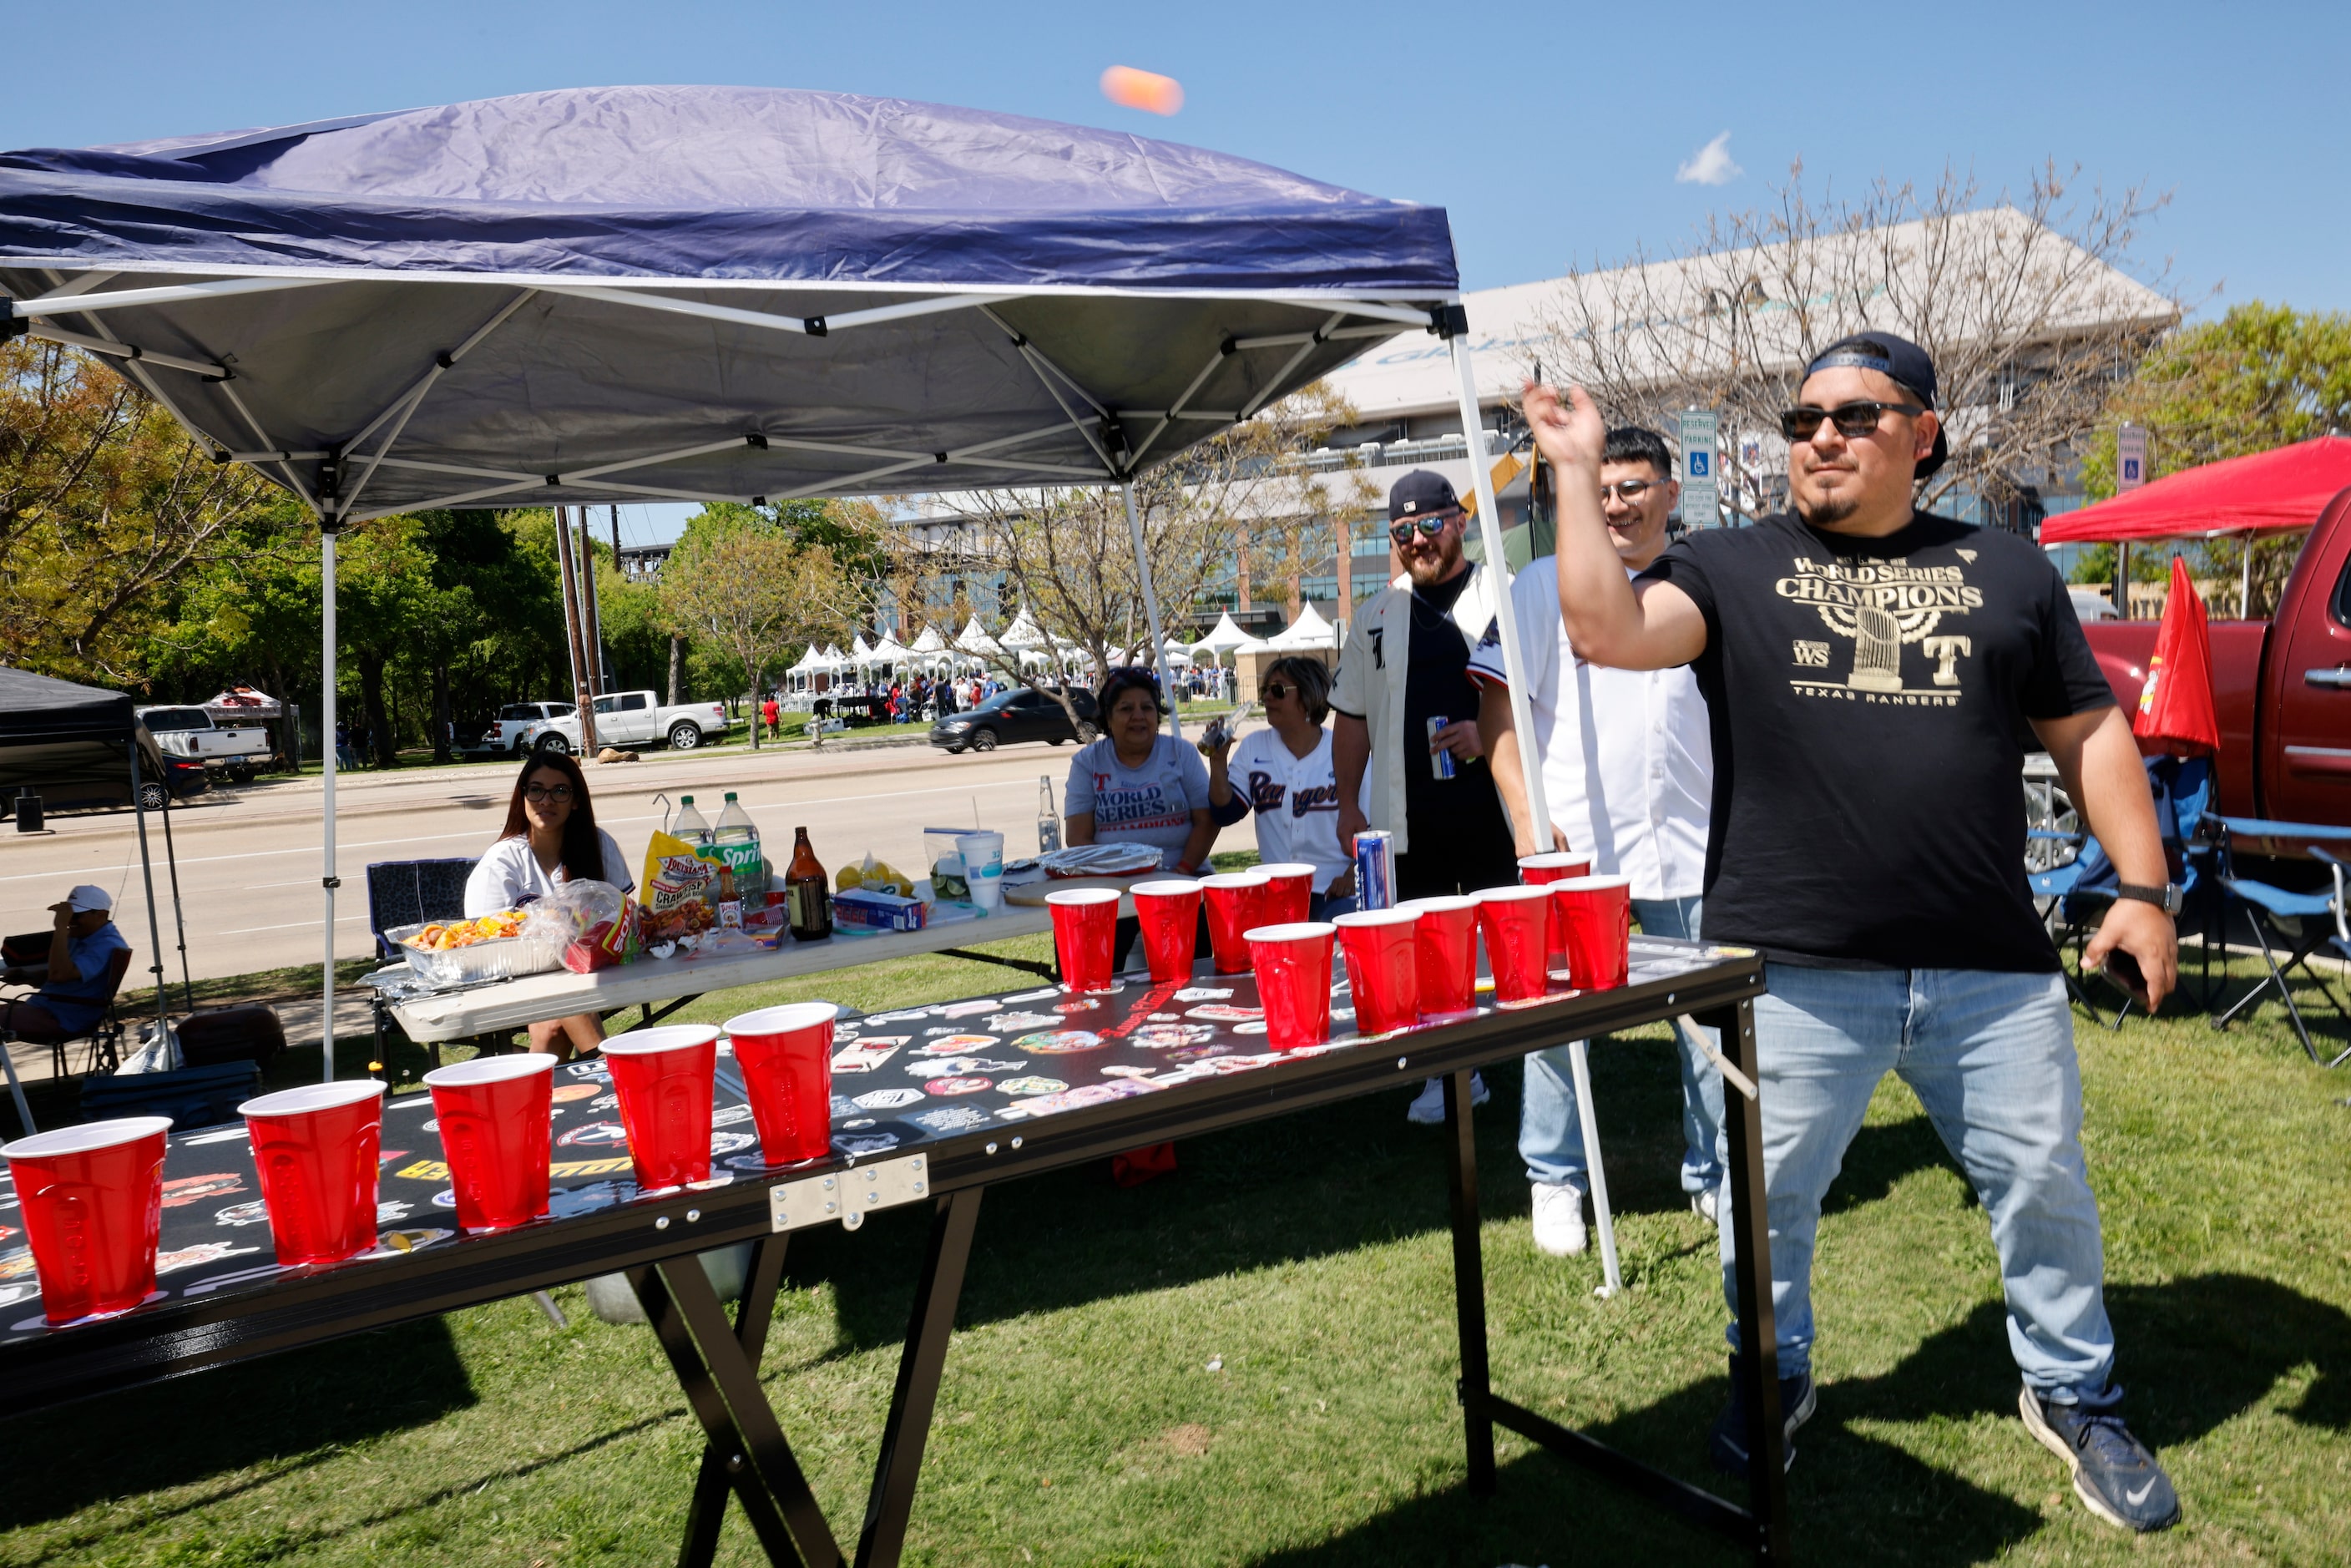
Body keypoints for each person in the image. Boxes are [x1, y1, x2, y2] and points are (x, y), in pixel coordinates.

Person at [1524, 331, 2182, 1530]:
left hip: (1988, 965)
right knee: (1764, 1199)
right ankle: (1772, 1368)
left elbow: (2088, 733)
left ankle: (2074, 1390)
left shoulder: (2011, 571)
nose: (1820, 435)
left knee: (2044, 1188)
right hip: (1792, 968)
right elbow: (1605, 632)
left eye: (1854, 415)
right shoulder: (1728, 566)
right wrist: (1575, 471)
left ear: (1923, 435)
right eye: (1801, 418)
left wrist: (2143, 888)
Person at [1469, 425, 1720, 1260]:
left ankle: (1712, 1172)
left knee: (1709, 1021)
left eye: (1633, 487)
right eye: (1602, 489)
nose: (1616, 504)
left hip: (1690, 838)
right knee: (1558, 1020)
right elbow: (1496, 714)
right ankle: (1554, 1179)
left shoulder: (1704, 584)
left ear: (1668, 494)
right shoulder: (1541, 585)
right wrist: (1525, 820)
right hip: (1573, 843)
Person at [1332, 468, 1517, 1122]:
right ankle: (1451, 1072)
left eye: (1430, 524)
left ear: (1459, 521)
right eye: (1403, 531)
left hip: (1496, 809)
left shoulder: (1505, 595)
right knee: (1429, 944)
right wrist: (1348, 805)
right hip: (1410, 815)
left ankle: (1534, 1057)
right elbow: (1351, 715)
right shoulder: (1378, 614)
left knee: (1512, 939)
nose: (1418, 540)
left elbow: (1542, 695)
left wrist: (1487, 729)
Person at [465, 751, 635, 1062]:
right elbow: (484, 945)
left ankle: (539, 1094)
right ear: (523, 797)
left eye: (559, 791)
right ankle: (607, 1067)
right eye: (536, 789)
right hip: (513, 983)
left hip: (594, 979)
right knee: (559, 1012)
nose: (546, 800)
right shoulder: (502, 861)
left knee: (554, 1022)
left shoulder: (599, 846)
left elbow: (625, 918)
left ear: (575, 801)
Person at [1205, 655, 1357, 919]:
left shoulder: (1346, 749)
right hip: (1277, 892)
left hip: (1335, 890)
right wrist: (1218, 763)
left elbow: (1375, 826)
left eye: (1278, 691)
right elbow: (1225, 813)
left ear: (1310, 696)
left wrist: (1353, 872)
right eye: (1265, 691)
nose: (1267, 698)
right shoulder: (1254, 747)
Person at [0, 885, 131, 1043]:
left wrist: (61, 928)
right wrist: (29, 977)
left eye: (75, 916)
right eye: (68, 916)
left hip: (63, 1018)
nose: (69, 921)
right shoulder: (81, 936)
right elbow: (66, 977)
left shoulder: (106, 945)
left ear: (101, 915)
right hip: (48, 1008)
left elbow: (59, 975)